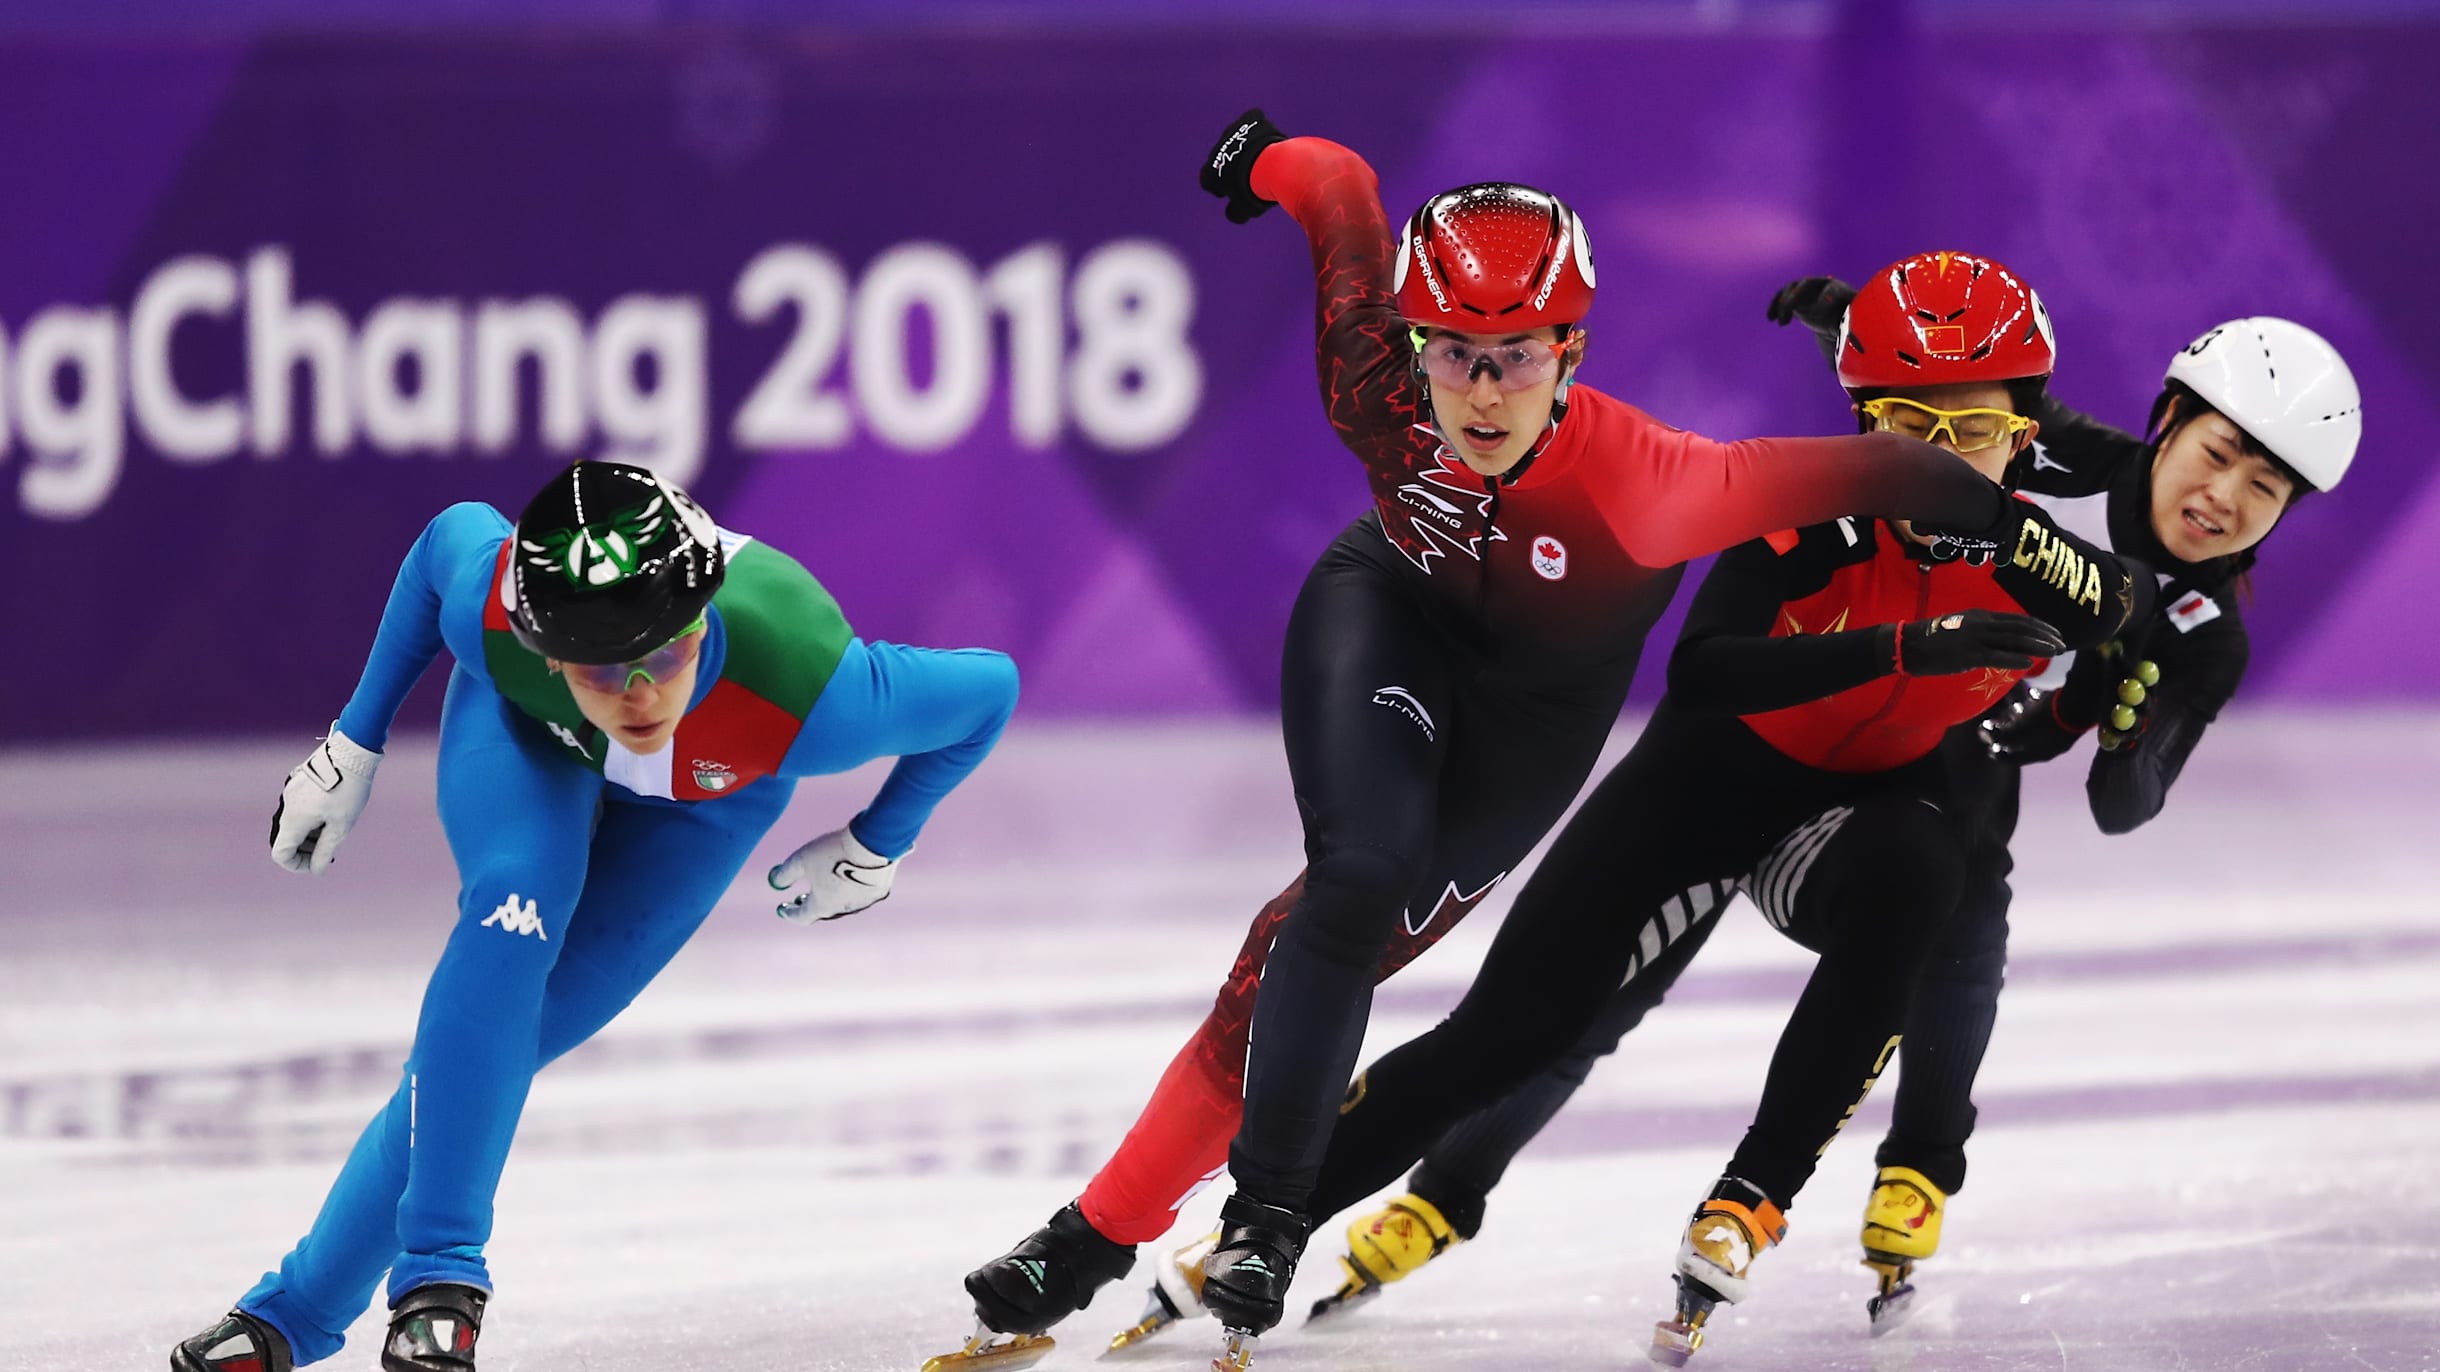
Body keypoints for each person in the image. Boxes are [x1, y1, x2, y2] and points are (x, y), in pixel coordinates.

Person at [926, 105, 2048, 1372]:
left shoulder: (1661, 480)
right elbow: (1343, 192)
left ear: (1569, 350)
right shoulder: (1378, 389)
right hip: (1386, 620)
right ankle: (1251, 1225)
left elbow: (1892, 470)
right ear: (1414, 345)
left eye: (1515, 354)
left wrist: (2055, 553)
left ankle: (1096, 1237)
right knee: (1341, 895)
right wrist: (1266, 162)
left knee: (1328, 973)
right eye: (1452, 353)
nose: (1479, 389)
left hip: (1528, 733)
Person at [1283, 302, 2363, 1345]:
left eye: (2264, 488)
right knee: (1604, 988)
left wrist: (2117, 738)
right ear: (2167, 419)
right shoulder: (2066, 456)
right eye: (2216, 453)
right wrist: (1846, 320)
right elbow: (1936, 392)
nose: (2222, 497)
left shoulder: (2205, 633)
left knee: (1963, 915)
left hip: (1954, 748)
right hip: (1828, 698)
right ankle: (1444, 1189)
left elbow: (2122, 805)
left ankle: (1921, 1164)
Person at [1151, 250, 2153, 1367]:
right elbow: (1707, 669)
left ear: (2025, 437)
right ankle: (1272, 1221)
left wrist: (2096, 692)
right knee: (1506, 1038)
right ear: (1862, 427)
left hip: (1872, 809)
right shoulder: (1810, 514)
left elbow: (2121, 602)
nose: (1938, 460)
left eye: (1971, 432)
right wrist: (1913, 645)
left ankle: (1753, 1193)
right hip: (1710, 777)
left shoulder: (2034, 550)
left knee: (1927, 875)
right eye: (1905, 428)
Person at [171, 460, 1020, 1372]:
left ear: (704, 617)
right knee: (510, 911)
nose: (641, 695)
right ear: (545, 651)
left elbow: (989, 689)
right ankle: (440, 1279)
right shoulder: (496, 618)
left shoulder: (812, 688)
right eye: (604, 669)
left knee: (492, 1045)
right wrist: (354, 742)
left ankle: (293, 1315)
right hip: (535, 740)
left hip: (709, 804)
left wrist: (875, 843)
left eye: (666, 652)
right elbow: (444, 537)